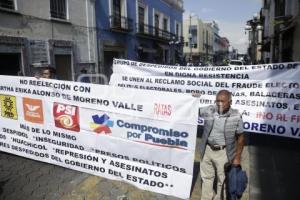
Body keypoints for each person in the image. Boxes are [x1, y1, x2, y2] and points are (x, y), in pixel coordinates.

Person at [195, 90, 245, 200]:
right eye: (217, 101)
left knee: (222, 181)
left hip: (224, 153)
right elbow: (193, 110)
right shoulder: (209, 110)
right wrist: (193, 99)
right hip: (207, 150)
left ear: (230, 102)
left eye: (222, 101)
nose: (219, 104)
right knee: (206, 177)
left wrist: (237, 157)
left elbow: (241, 137)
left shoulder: (236, 116)